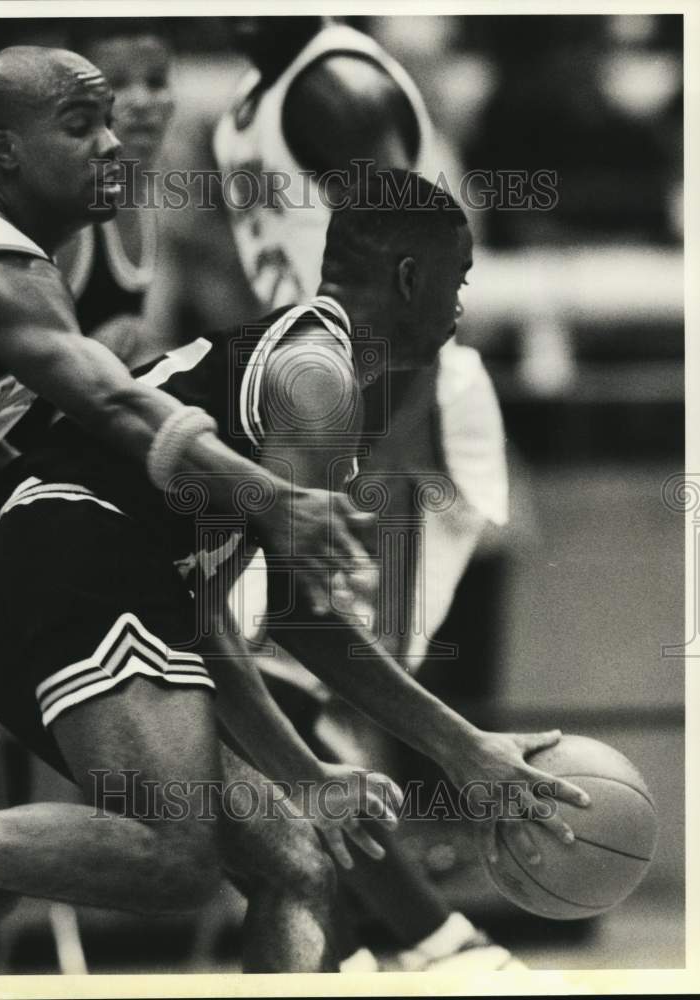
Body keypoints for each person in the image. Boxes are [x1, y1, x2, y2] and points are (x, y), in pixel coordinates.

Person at [0, 171, 589, 971]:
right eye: (456, 280)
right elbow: (300, 614)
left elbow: (211, 628)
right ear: (407, 276)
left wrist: (303, 776)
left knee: (295, 864)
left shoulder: (289, 361)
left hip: (46, 580)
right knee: (171, 856)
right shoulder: (317, 380)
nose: (460, 306)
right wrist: (464, 749)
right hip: (74, 563)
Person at [0, 44, 373, 974]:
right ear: (3, 148)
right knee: (131, 859)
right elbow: (116, 405)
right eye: (81, 128)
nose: (112, 144)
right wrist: (271, 497)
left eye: (111, 121)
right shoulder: (2, 273)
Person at [201, 15, 517, 970]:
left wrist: (348, 455)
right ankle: (424, 947)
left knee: (283, 684)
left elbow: (407, 269)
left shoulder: (336, 85)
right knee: (272, 697)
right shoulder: (251, 102)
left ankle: (434, 945)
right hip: (319, 410)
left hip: (393, 416)